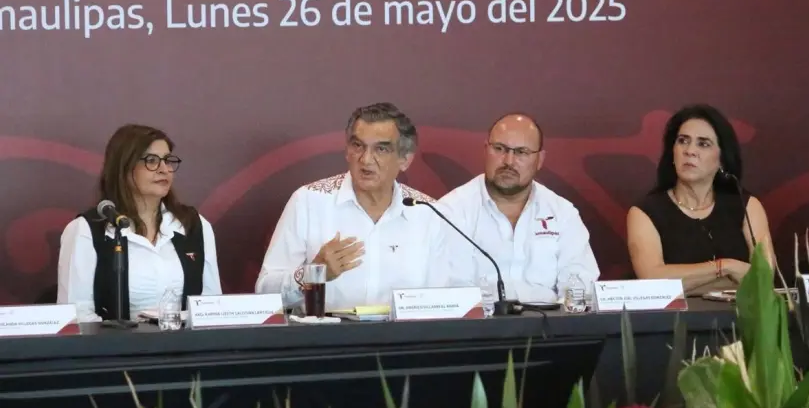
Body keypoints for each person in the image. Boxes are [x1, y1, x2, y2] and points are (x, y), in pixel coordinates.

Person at [255, 102, 453, 310]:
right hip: (325, 330)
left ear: (405, 160)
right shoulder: (308, 201)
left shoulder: (428, 213)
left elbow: (444, 303)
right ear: (347, 151)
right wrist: (312, 274)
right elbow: (264, 292)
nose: (366, 160)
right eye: (358, 146)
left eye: (381, 149)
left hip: (405, 331)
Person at [57, 124, 223, 322]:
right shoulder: (86, 230)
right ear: (124, 167)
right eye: (151, 161)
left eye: (168, 161)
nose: (164, 170)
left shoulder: (194, 225)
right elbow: (76, 316)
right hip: (115, 341)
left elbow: (212, 307)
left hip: (184, 340)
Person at [437, 113, 600, 304]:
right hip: (482, 320)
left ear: (540, 159)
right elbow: (451, 291)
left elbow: (581, 284)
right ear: (485, 150)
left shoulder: (562, 213)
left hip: (551, 320)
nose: (508, 161)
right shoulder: (452, 211)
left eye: (521, 152)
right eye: (499, 149)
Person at [627, 104, 775, 294]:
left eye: (703, 144)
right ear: (672, 152)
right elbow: (653, 282)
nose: (690, 151)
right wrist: (725, 267)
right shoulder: (645, 211)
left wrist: (684, 283)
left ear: (721, 158)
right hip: (678, 315)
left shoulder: (746, 205)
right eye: (682, 141)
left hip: (738, 314)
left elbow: (765, 277)